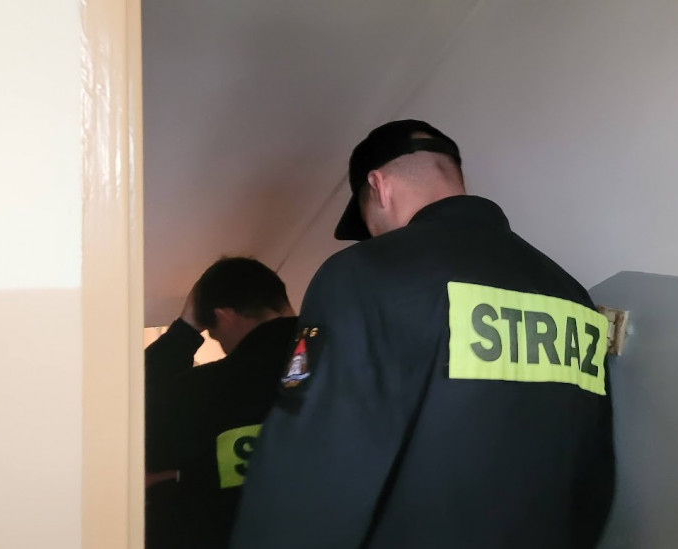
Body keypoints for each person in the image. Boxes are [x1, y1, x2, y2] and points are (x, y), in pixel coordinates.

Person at [231, 120, 615, 548]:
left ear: (378, 186)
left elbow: (313, 473)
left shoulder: (363, 273)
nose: (372, 234)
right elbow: (594, 477)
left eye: (366, 219)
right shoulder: (570, 293)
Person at [144, 257, 298, 549]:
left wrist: (186, 328)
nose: (223, 346)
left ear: (224, 315)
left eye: (215, 335)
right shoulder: (345, 359)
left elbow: (135, 416)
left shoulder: (211, 389)